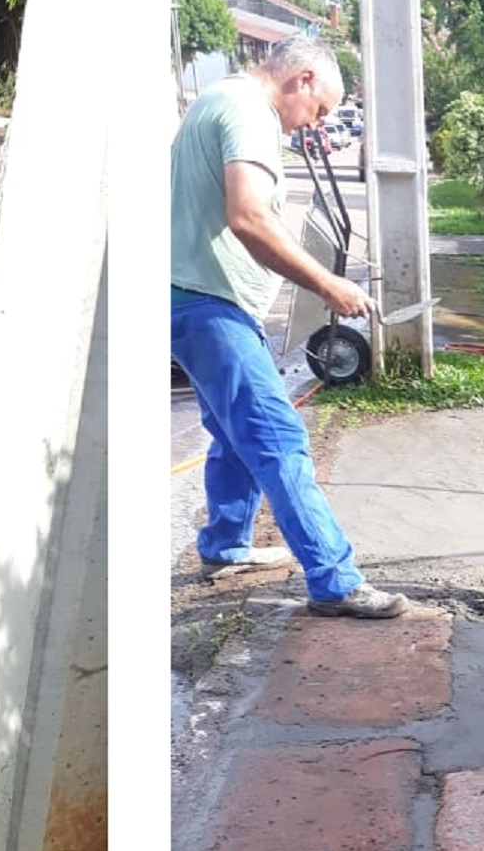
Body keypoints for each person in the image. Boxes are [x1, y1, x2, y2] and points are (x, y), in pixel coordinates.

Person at [171, 37, 409, 619]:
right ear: (302, 80)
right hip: (208, 305)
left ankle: (226, 546)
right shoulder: (250, 112)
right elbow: (248, 216)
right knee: (278, 440)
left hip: (195, 300)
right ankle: (334, 580)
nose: (314, 125)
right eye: (321, 110)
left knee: (232, 434)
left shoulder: (219, 99)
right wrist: (329, 285)